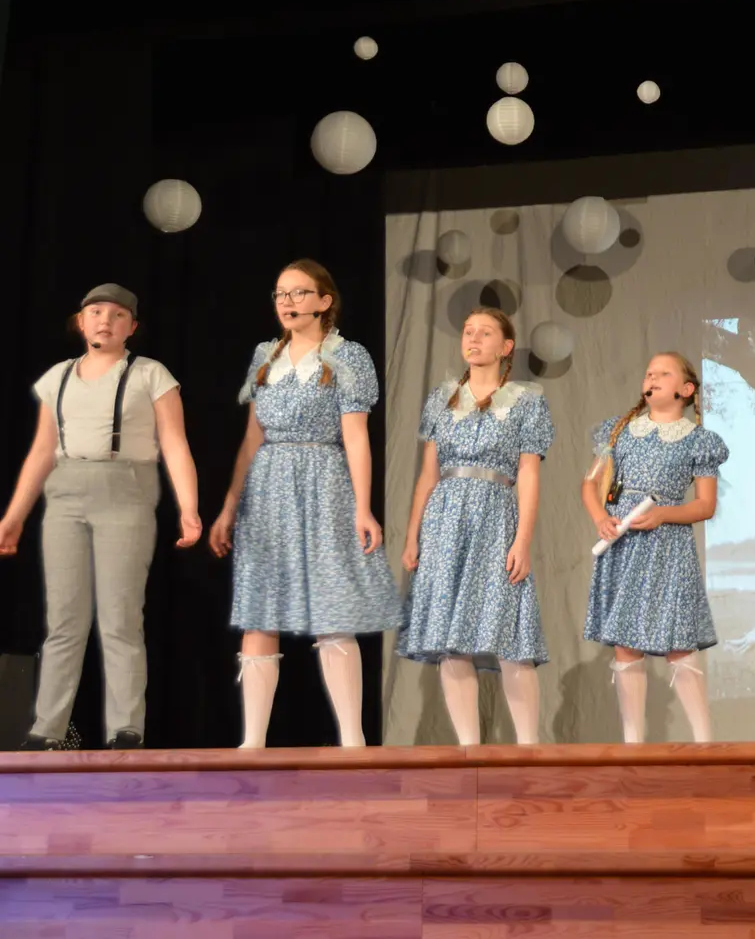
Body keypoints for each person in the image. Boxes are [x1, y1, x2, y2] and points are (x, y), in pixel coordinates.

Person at [208, 260, 402, 748]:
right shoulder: (265, 355)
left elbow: (356, 437)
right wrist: (229, 506)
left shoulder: (347, 356)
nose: (287, 302)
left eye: (298, 293)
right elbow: (252, 438)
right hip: (267, 487)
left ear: (324, 301)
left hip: (324, 482)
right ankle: (252, 742)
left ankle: (353, 741)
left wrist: (363, 507)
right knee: (260, 610)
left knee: (334, 608)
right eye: (280, 294)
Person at [0, 283, 201, 750]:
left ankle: (126, 727)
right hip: (66, 492)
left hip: (125, 488)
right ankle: (47, 729)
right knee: (64, 619)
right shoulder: (58, 377)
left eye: (116, 314)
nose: (105, 321)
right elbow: (41, 451)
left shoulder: (150, 374)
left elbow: (175, 443)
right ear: (80, 321)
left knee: (120, 615)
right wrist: (13, 517)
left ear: (132, 326)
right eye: (95, 312)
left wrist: (189, 508)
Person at [399, 308, 553, 745]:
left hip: (495, 516)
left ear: (506, 347)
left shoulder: (526, 401)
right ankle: (470, 750)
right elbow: (428, 474)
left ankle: (529, 748)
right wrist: (413, 535)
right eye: (468, 331)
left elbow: (528, 474)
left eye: (485, 333)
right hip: (444, 520)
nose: (473, 338)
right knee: (451, 637)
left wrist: (522, 540)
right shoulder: (443, 398)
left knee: (510, 634)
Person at [581, 352, 728, 744]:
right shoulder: (619, 431)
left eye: (664, 373)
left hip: (667, 548)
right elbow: (590, 483)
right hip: (623, 544)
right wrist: (600, 517)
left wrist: (663, 514)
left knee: (678, 642)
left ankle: (704, 741)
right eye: (649, 372)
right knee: (626, 644)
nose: (653, 377)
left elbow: (705, 505)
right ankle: (634, 742)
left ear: (686, 389)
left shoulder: (699, 441)